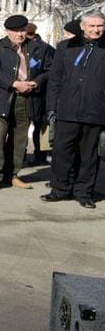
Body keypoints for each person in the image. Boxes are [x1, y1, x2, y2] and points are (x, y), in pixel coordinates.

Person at [0, 14, 53, 192]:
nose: (20, 34)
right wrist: (13, 83)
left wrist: (36, 82)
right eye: (16, 31)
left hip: (27, 99)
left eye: (23, 30)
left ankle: (12, 174)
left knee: (19, 139)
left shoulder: (38, 47)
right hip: (2, 97)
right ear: (7, 31)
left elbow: (48, 70)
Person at [43, 12, 105, 210]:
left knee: (89, 155)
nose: (96, 30)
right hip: (67, 110)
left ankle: (84, 192)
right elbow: (55, 80)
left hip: (95, 110)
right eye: (92, 26)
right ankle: (60, 189)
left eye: (100, 26)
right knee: (62, 151)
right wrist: (52, 106)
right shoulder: (65, 47)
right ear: (83, 26)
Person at [24, 22, 53, 165]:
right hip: (22, 93)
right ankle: (20, 155)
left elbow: (50, 70)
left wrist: (36, 82)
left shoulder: (46, 49)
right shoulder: (20, 46)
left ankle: (40, 156)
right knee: (22, 126)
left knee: (40, 126)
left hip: (40, 94)